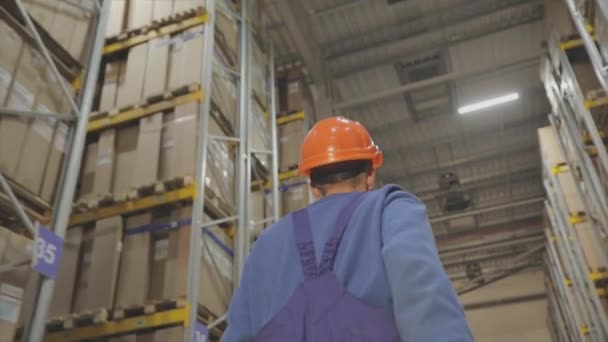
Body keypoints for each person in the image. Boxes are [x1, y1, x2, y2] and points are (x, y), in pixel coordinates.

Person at [222, 116, 472, 341]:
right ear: (370, 174)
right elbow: (425, 299)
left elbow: (237, 334)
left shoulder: (266, 244)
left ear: (313, 185)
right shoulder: (390, 210)